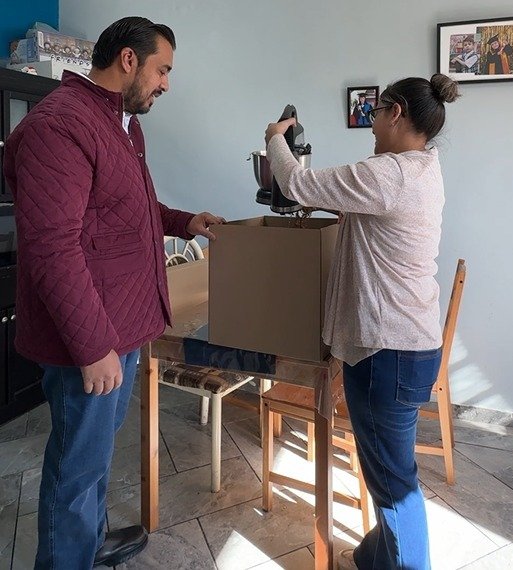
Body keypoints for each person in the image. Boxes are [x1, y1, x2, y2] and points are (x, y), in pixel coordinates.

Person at [3, 16, 225, 570]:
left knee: (96, 456)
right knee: (76, 467)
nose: (166, 83)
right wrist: (93, 346)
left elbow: (130, 209)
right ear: (129, 59)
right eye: (162, 69)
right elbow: (52, 248)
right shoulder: (59, 127)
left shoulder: (122, 124)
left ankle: (90, 541)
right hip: (90, 337)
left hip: (120, 328)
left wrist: (185, 221)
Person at [264, 73, 459, 570]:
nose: (371, 124)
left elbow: (297, 183)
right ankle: (375, 556)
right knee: (391, 471)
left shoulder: (389, 174)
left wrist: (274, 138)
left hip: (385, 352)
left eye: (376, 113)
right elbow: (362, 211)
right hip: (410, 346)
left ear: (396, 113)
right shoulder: (422, 168)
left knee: (395, 486)